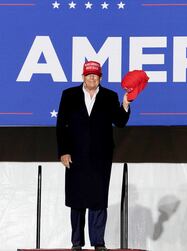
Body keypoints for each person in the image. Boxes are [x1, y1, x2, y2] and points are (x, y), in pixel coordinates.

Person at [56, 61, 130, 251]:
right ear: (82, 76)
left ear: (100, 78)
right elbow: (61, 125)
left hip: (101, 157)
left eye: (95, 75)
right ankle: (76, 243)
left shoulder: (109, 96)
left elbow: (120, 122)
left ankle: (98, 242)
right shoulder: (69, 95)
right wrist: (63, 151)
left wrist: (125, 104)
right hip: (75, 156)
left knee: (98, 199)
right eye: (88, 75)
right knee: (77, 199)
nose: (91, 78)